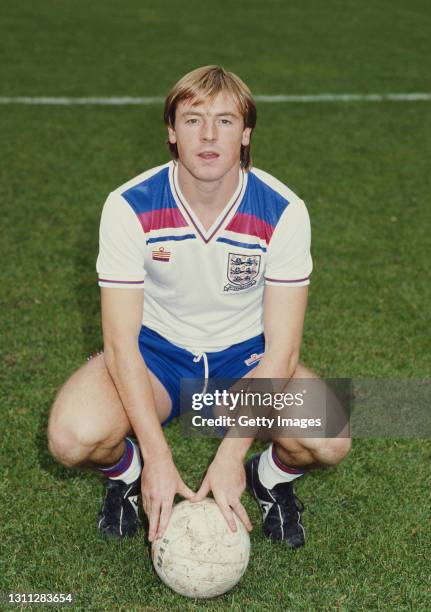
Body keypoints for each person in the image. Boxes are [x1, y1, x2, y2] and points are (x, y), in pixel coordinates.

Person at [47, 65, 351, 549]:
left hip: (243, 361)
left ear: (246, 132)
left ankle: (268, 476)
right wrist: (155, 456)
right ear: (172, 130)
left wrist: (231, 455)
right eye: (192, 120)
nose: (208, 135)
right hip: (156, 361)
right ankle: (126, 473)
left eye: (225, 121)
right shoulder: (129, 206)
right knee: (72, 437)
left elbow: (283, 352)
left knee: (329, 438)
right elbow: (119, 343)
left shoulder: (283, 211)